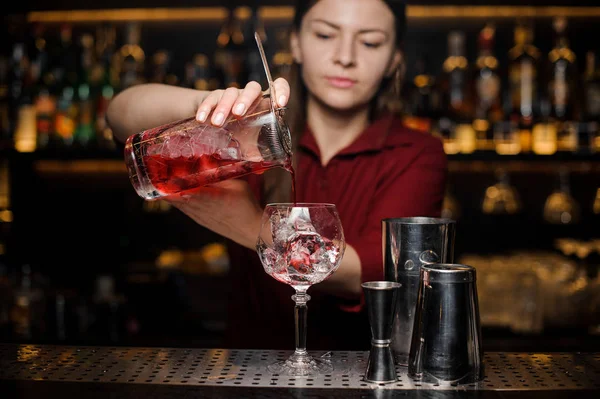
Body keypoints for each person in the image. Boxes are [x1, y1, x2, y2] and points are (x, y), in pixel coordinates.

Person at [107, 0, 447, 351]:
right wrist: (203, 107)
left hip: (364, 373)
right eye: (326, 34)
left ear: (395, 59)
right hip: (249, 370)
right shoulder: (253, 135)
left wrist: (253, 226)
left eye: (371, 42)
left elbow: (378, 272)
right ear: (296, 43)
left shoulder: (418, 152)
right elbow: (118, 116)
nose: (345, 56)